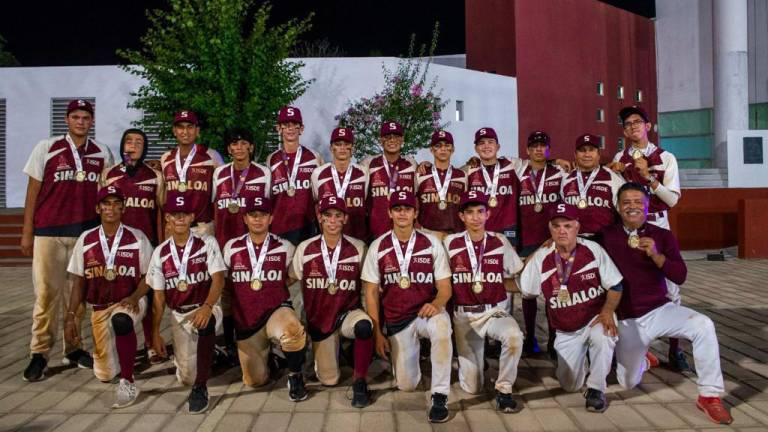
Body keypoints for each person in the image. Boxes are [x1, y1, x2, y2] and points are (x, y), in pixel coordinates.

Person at [601, 182, 733, 425]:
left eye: (638, 202)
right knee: (627, 382)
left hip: (659, 310)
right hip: (627, 318)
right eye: (626, 202)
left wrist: (656, 255)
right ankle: (643, 359)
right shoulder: (606, 236)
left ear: (647, 206)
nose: (632, 206)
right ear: (618, 207)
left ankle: (709, 395)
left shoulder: (662, 235)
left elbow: (680, 276)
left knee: (703, 324)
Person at [22, 99, 115, 381]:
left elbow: (108, 191)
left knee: (77, 299)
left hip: (84, 233)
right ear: (67, 120)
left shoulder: (102, 151)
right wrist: (27, 231)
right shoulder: (47, 147)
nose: (81, 122)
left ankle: (73, 349)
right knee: (46, 296)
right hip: (48, 232)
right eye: (76, 117)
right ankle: (39, 353)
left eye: (85, 117)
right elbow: (32, 191)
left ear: (91, 121)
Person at [520, 203, 624, 413]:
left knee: (603, 335)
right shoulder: (542, 256)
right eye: (556, 226)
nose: (562, 231)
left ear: (577, 227)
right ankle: (581, 361)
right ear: (550, 229)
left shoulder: (593, 249)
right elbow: (526, 290)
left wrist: (607, 312)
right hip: (566, 329)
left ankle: (596, 389)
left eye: (567, 225)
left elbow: (616, 285)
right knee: (569, 385)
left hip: (594, 318)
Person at [361, 191, 453, 423]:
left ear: (416, 213)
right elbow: (370, 293)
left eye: (407, 209)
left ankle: (440, 395)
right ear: (390, 213)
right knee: (407, 385)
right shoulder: (378, 246)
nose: (402, 213)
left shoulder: (431, 243)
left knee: (442, 328)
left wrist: (436, 303)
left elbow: (445, 288)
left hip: (425, 312)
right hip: (397, 319)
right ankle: (414, 356)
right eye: (398, 209)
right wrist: (377, 332)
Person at [609, 106, 688, 371]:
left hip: (657, 223)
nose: (632, 126)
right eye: (627, 123)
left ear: (648, 126)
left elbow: (672, 200)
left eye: (637, 122)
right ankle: (635, 346)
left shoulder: (665, 158)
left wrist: (649, 178)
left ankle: (675, 349)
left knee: (670, 288)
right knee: (631, 282)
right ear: (624, 131)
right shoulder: (620, 158)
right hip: (629, 226)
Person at [64, 186, 154, 408]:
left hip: (129, 300)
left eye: (116, 204)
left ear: (123, 208)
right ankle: (118, 355)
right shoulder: (86, 239)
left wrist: (135, 296)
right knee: (104, 374)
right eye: (106, 204)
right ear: (98, 208)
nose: (111, 208)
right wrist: (70, 316)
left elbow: (149, 277)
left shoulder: (137, 237)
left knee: (121, 320)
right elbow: (79, 281)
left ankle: (128, 382)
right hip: (100, 307)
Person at [221, 195, 309, 401]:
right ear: (245, 218)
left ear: (271, 218)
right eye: (253, 215)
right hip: (246, 319)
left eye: (263, 215)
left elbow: (292, 276)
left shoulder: (285, 247)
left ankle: (295, 375)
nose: (258, 219)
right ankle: (271, 359)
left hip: (275, 310)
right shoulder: (231, 247)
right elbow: (226, 285)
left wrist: (270, 288)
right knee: (255, 381)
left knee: (292, 331)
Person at [444, 190, 524, 413]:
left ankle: (504, 390)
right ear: (461, 216)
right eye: (470, 212)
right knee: (473, 388)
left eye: (480, 211)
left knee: (514, 336)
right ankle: (475, 364)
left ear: (488, 214)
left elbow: (518, 272)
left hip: (492, 311)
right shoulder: (450, 243)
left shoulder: (500, 241)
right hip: (464, 314)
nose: (476, 217)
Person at [147, 192, 226, 414]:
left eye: (184, 214)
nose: (180, 219)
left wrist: (207, 307)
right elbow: (159, 298)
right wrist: (155, 333)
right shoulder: (160, 252)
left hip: (206, 305)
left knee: (206, 323)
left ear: (192, 217)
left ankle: (200, 388)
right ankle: (212, 354)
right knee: (185, 378)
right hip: (179, 314)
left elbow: (218, 279)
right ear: (168, 218)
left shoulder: (206, 242)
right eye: (175, 214)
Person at [291, 196, 372, 407]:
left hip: (347, 314)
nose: (333, 221)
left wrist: (368, 312)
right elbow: (292, 282)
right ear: (320, 217)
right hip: (319, 318)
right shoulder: (305, 248)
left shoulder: (358, 248)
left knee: (364, 326)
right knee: (330, 380)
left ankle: (360, 382)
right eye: (328, 215)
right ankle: (336, 351)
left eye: (338, 215)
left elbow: (367, 287)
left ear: (345, 218)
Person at [102, 128, 164, 363]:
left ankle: (150, 343)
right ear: (122, 146)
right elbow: (102, 210)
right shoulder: (109, 174)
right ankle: (120, 345)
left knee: (148, 294)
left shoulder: (154, 176)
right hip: (117, 247)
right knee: (116, 294)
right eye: (129, 141)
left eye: (139, 142)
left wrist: (160, 245)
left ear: (145, 147)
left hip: (146, 245)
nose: (133, 145)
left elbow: (160, 211)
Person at [212, 128, 271, 361]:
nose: (239, 148)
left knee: (252, 292)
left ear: (251, 147)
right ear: (228, 149)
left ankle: (258, 341)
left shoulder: (263, 173)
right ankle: (229, 344)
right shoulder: (220, 174)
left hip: (252, 245)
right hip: (225, 242)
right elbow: (215, 206)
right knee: (227, 296)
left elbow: (268, 209)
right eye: (234, 144)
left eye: (243, 143)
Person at [517, 131, 566, 356]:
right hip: (526, 239)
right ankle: (530, 337)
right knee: (527, 291)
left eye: (543, 146)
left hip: (550, 241)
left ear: (548, 150)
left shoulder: (560, 173)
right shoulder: (519, 172)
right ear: (527, 150)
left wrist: (556, 237)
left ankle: (554, 337)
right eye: (534, 146)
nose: (538, 149)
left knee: (552, 290)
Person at [267, 106, 323, 246]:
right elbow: (269, 196)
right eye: (286, 125)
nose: (290, 128)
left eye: (294, 124)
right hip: (279, 227)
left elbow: (321, 195)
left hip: (307, 227)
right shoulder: (271, 159)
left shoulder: (314, 157)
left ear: (301, 129)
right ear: (278, 129)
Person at [160, 110, 220, 237]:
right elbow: (164, 194)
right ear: (174, 131)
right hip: (174, 227)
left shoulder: (212, 156)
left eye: (190, 127)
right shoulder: (165, 158)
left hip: (202, 228)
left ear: (197, 131)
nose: (185, 132)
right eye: (180, 127)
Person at [361, 121, 417, 240]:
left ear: (402, 139)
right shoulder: (368, 163)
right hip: (376, 232)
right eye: (387, 137)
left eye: (396, 137)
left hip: (405, 232)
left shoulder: (411, 164)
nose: (392, 140)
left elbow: (417, 197)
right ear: (380, 140)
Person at [560, 133, 625, 237]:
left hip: (604, 240)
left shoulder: (613, 178)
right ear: (575, 155)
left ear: (599, 154)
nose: (587, 154)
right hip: (574, 240)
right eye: (582, 150)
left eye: (591, 150)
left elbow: (624, 212)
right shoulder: (566, 180)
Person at [465, 127, 521, 247]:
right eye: (481, 143)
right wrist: (424, 164)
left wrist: (556, 161)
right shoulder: (469, 170)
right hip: (480, 227)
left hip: (508, 227)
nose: (486, 146)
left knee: (510, 259)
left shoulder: (512, 165)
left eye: (490, 142)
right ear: (476, 149)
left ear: (498, 146)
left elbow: (537, 161)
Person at [311, 127, 368, 240]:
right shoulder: (318, 173)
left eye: (346, 144)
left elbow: (366, 201)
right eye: (338, 144)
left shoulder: (363, 173)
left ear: (353, 148)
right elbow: (316, 204)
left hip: (357, 238)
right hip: (329, 239)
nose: (342, 148)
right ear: (331, 148)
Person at [416, 130, 467, 240]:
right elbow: (413, 204)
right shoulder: (421, 174)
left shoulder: (462, 175)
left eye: (447, 145)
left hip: (455, 235)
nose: (443, 149)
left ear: (453, 149)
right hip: (428, 234)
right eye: (438, 146)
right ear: (431, 149)